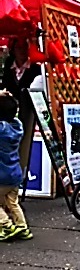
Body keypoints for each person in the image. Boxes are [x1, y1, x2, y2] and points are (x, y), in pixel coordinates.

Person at [0, 90, 33, 242]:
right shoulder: (17, 125)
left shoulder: (1, 129)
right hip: (15, 174)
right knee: (12, 202)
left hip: (2, 176)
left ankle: (6, 225)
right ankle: (22, 228)